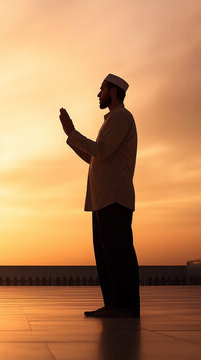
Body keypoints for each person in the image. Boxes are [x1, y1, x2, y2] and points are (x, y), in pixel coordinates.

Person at [59, 73, 139, 318]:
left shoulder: (121, 117)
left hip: (114, 198)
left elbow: (101, 151)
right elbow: (94, 157)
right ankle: (115, 304)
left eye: (102, 89)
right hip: (102, 199)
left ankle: (124, 305)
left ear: (113, 91)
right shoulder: (111, 120)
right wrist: (71, 137)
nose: (98, 94)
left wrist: (73, 132)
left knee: (118, 253)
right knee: (106, 255)